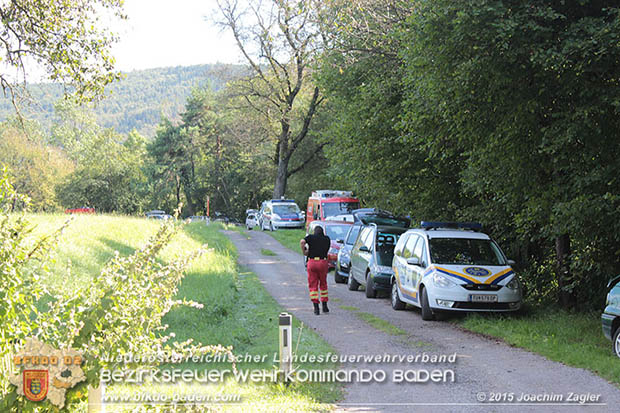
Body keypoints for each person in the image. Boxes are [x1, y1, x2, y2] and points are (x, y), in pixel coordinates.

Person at [300, 226, 330, 315]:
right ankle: (324, 306)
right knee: (323, 284)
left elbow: (302, 241)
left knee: (313, 285)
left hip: (312, 262)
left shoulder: (310, 237)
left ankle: (316, 308)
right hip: (323, 262)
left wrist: (304, 251)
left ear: (314, 232)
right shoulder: (327, 239)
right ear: (323, 232)